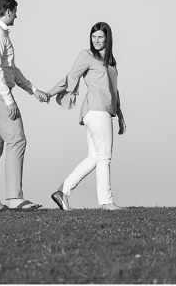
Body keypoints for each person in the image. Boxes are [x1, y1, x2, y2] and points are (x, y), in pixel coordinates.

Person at [0, 0, 50, 212]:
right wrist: (9, 100)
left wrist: (33, 91)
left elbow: (11, 70)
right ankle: (14, 197)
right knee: (17, 139)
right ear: (8, 12)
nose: (17, 15)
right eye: (15, 11)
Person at [47, 22, 127, 211]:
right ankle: (106, 202)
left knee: (94, 157)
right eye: (94, 36)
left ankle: (62, 192)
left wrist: (120, 115)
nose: (96, 40)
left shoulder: (111, 62)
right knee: (105, 156)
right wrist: (49, 93)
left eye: (100, 36)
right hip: (96, 111)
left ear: (108, 38)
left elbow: (113, 91)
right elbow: (70, 77)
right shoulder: (87, 55)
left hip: (105, 111)